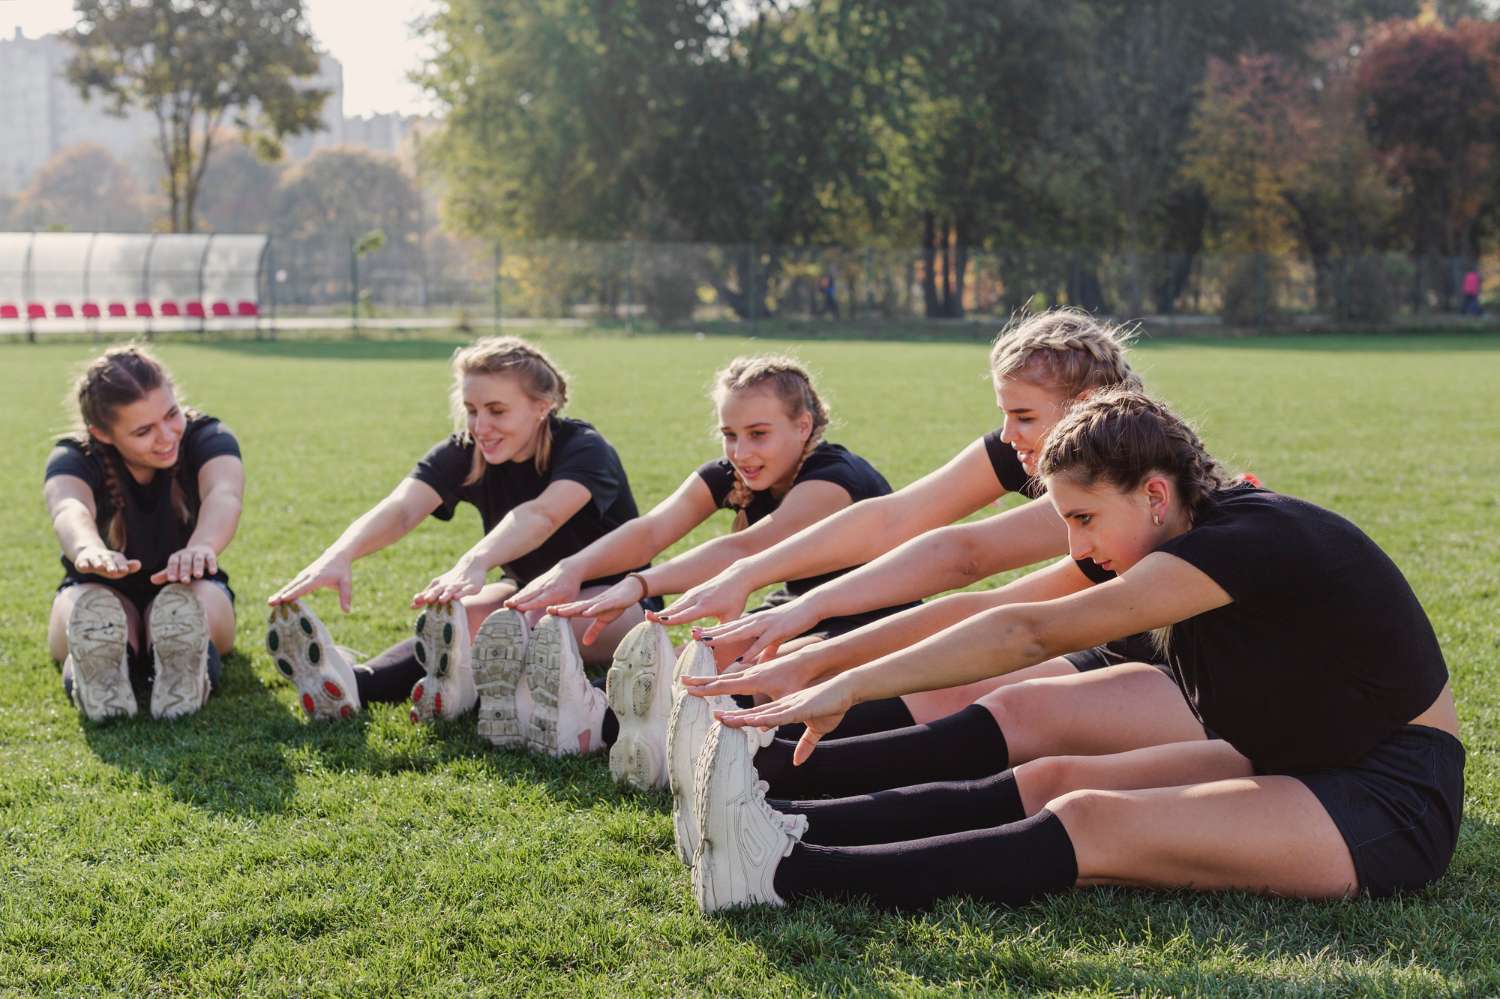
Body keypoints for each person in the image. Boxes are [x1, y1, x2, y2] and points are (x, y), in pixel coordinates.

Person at [683, 387, 1462, 914]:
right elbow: (993, 605)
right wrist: (820, 660)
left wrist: (850, 682)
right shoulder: (1186, 528)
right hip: (1304, 755)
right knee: (1051, 777)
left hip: (1391, 795)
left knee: (1092, 821)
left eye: (1084, 518)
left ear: (1155, 494)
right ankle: (782, 817)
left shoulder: (1247, 538)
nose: (1075, 542)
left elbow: (1032, 632)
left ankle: (785, 872)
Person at [667, 311, 1206, 762]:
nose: (1006, 433)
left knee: (973, 685)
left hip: (1162, 659)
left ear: (1084, 403)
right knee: (880, 659)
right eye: (1005, 414)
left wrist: (811, 625)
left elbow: (966, 558)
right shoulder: (1029, 442)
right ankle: (730, 734)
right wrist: (771, 589)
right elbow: (895, 519)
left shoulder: (1112, 479)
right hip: (1089, 633)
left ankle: (759, 761)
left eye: (1022, 415)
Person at [500, 355, 912, 791]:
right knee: (685, 668)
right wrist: (573, 568)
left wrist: (640, 583)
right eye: (729, 435)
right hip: (796, 609)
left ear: (803, 426)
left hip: (870, 619)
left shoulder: (834, 480)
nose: (741, 452)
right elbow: (653, 530)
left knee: (746, 678)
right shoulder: (738, 474)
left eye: (758, 434)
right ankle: (583, 712)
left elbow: (748, 547)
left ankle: (598, 729)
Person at [266, 336, 650, 758]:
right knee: (453, 620)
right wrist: (338, 556)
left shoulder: (584, 448)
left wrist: (475, 561)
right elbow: (401, 510)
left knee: (514, 626)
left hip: (616, 603)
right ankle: (358, 683)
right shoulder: (470, 452)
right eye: (472, 410)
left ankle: (468, 690)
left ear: (543, 406)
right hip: (525, 591)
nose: (480, 426)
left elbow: (543, 515)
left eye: (497, 411)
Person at [44, 344, 244, 721]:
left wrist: (202, 545)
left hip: (189, 584)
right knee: (89, 607)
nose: (167, 435)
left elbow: (225, 493)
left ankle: (187, 659)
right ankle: (98, 666)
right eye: (143, 431)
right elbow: (69, 508)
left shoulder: (207, 435)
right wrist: (88, 547)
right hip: (98, 588)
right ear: (102, 433)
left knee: (190, 605)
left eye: (171, 414)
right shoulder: (74, 456)